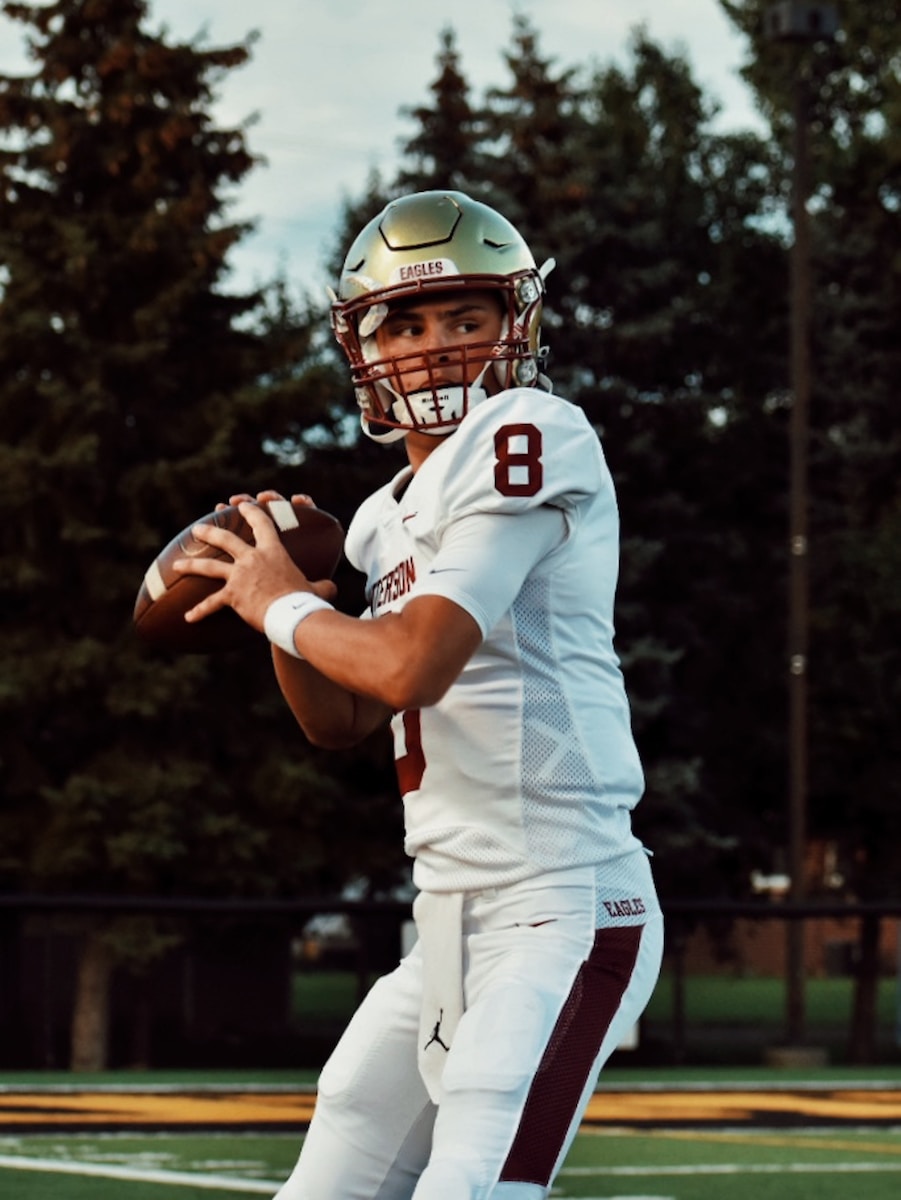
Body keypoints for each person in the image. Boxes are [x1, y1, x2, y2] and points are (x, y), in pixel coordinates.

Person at [174, 190, 664, 1200]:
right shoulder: (380, 519)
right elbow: (342, 719)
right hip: (443, 918)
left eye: (463, 318)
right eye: (405, 323)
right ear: (366, 349)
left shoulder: (533, 434)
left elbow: (410, 667)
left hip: (564, 906)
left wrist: (274, 606)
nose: (434, 347)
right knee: (333, 1157)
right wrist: (296, 602)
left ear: (511, 329)